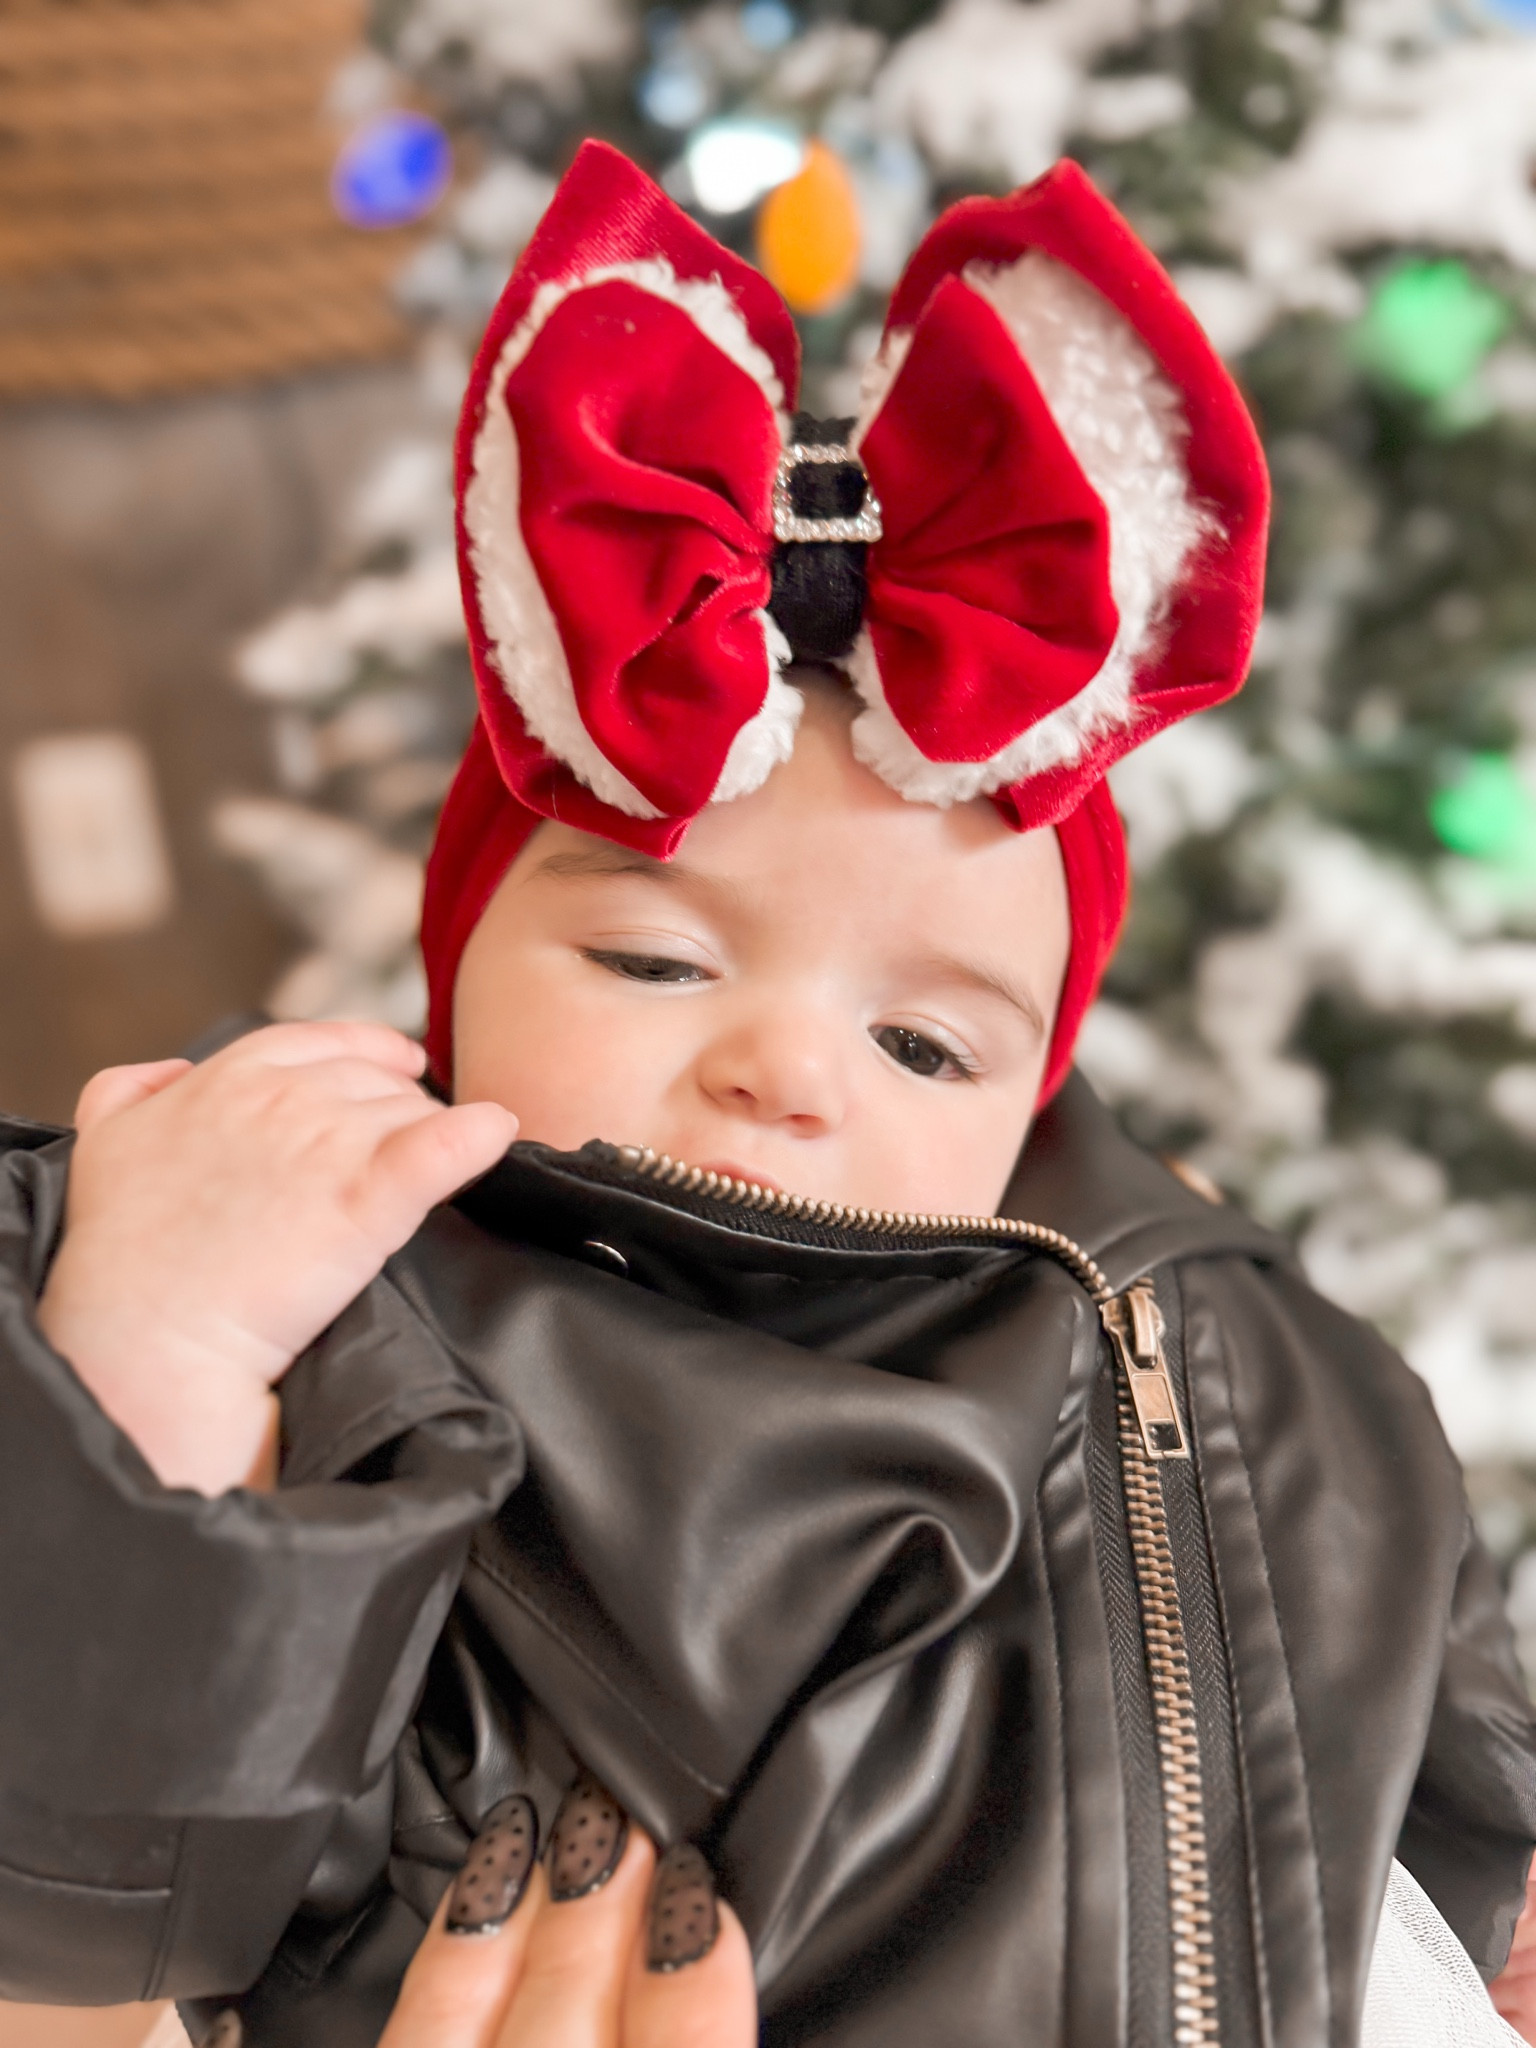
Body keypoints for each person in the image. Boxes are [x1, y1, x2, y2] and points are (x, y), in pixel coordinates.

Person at [1, 142, 1534, 2048]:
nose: (789, 1068)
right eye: (656, 962)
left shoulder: (1214, 1335)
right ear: (453, 977)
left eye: (927, 1048)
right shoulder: (332, 1328)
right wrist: (151, 1359)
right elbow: (77, 1948)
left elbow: (1434, 1792)